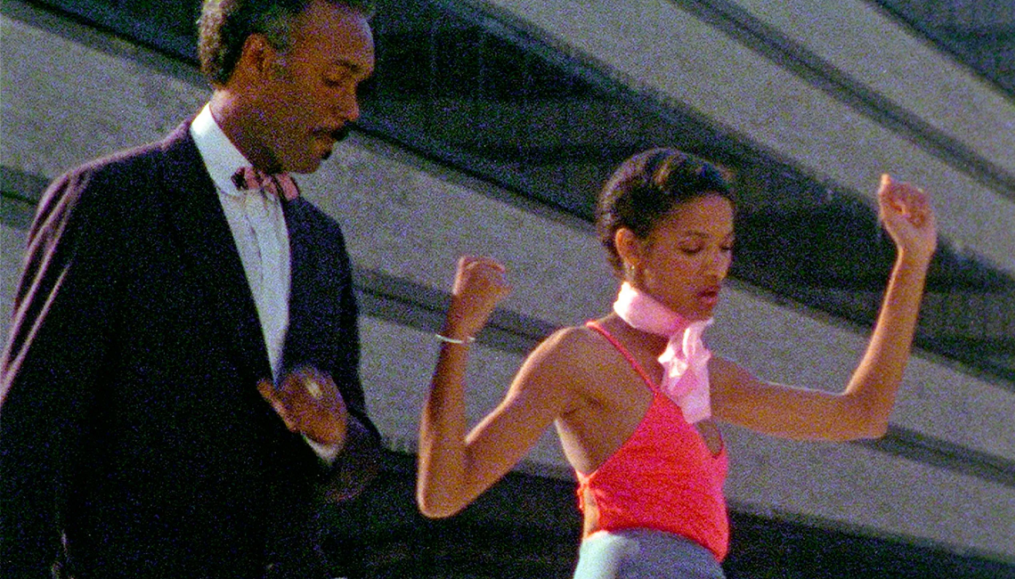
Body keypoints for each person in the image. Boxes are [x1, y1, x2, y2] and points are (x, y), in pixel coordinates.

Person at [416, 148, 937, 578]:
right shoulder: (580, 355)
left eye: (726, 248)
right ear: (631, 247)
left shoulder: (701, 375)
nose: (716, 267)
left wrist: (912, 262)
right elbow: (442, 494)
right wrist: (456, 336)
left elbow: (861, 415)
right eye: (693, 248)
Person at [0, 1, 383, 577]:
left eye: (359, 86)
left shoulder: (321, 242)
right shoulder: (110, 203)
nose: (350, 109)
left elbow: (356, 464)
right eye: (335, 79)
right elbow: (25, 458)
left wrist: (333, 435)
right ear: (258, 57)